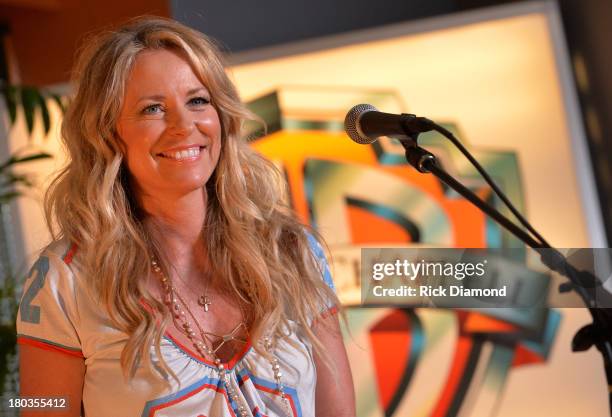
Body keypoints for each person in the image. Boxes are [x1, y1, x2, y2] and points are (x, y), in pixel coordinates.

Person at [16, 16, 355, 417]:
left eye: (197, 100)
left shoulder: (293, 251)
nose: (184, 126)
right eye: (152, 108)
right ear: (107, 134)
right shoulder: (62, 281)